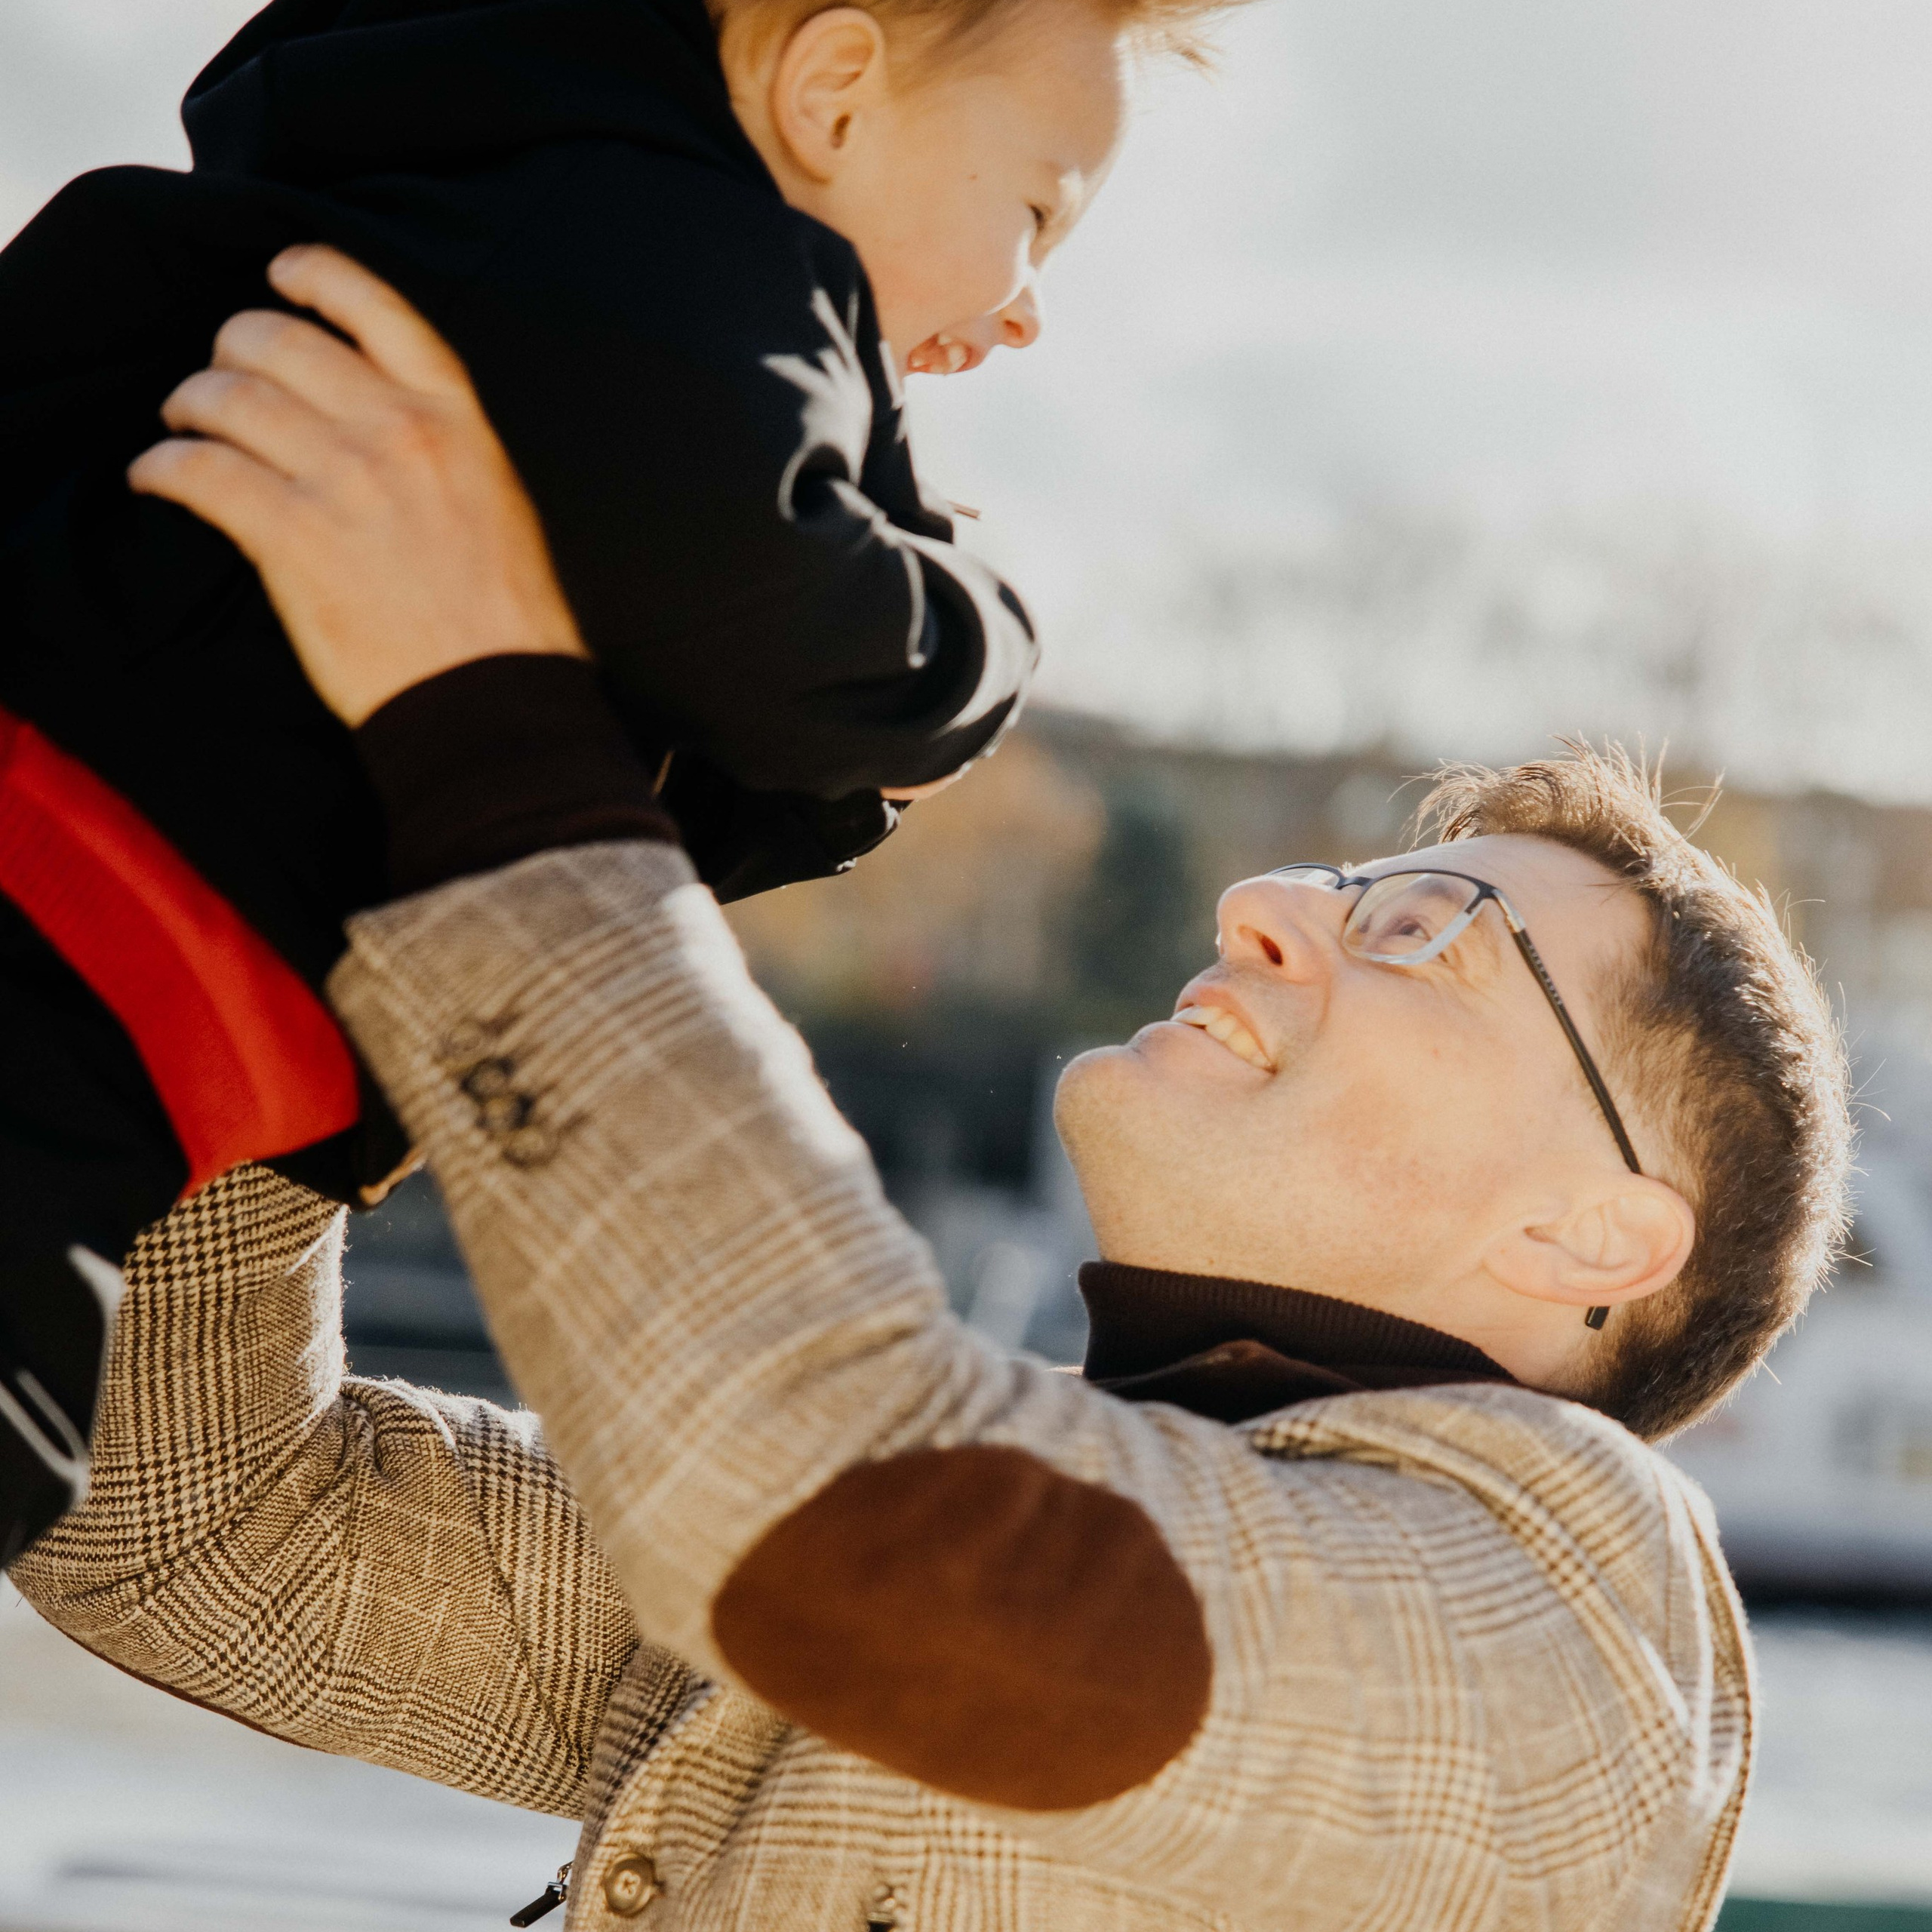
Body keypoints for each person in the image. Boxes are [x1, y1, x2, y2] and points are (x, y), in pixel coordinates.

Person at [13, 261, 1854, 1929]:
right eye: (1347, 883)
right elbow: (199, 1520)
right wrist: (312, 870)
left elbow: (866, 1521)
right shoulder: (1008, 1501)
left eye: (1430, 930)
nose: (1270, 902)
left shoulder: (1569, 1646)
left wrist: (494, 745)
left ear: (1586, 1232)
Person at [0, 0, 1221, 1557]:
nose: (1029, 306)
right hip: (81, 948)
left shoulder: (513, 230)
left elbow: (619, 749)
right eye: (1035, 211)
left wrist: (818, 782)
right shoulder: (691, 264)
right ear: (832, 94)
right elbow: (802, 656)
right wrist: (969, 614)